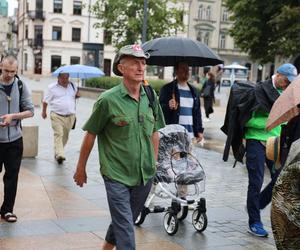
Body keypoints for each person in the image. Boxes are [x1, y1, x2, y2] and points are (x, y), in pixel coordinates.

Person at [73, 44, 165, 250]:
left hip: (144, 175)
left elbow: (155, 131)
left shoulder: (151, 97)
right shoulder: (107, 100)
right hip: (116, 175)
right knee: (126, 229)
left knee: (124, 220)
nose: (141, 67)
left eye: (143, 62)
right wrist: (81, 168)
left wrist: (154, 162)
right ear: (121, 68)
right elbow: (91, 134)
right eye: (134, 62)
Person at [244, 63, 297, 237]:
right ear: (279, 75)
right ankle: (255, 222)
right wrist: (269, 122)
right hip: (255, 141)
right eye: (287, 81)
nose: (287, 84)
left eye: (291, 82)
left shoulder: (285, 93)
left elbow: (283, 121)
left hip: (274, 143)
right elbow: (247, 120)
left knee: (280, 179)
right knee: (256, 181)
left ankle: (257, 202)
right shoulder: (259, 91)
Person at [0, 55, 34, 222]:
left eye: (13, 72)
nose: (9, 74)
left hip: (14, 140)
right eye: (6, 70)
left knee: (12, 176)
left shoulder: (20, 85)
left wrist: (13, 116)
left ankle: (7, 210)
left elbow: (30, 111)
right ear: (1, 66)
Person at [159, 61, 204, 142]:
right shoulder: (167, 89)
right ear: (176, 71)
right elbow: (159, 111)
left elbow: (197, 113)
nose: (186, 71)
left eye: (188, 69)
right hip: (173, 136)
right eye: (183, 68)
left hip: (190, 135)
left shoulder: (194, 91)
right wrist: (168, 106)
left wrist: (199, 130)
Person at [42, 73, 79, 164]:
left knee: (65, 136)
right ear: (58, 78)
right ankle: (60, 154)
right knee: (59, 134)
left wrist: (78, 94)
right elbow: (45, 101)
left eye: (67, 77)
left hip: (70, 116)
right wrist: (44, 112)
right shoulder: (52, 88)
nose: (65, 80)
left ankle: (58, 151)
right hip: (56, 115)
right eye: (63, 78)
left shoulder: (73, 86)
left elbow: (75, 96)